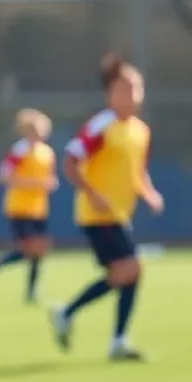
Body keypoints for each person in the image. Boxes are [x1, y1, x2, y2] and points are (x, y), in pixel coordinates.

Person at [50, 54, 163, 361]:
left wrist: (149, 193)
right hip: (97, 214)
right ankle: (116, 339)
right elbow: (70, 162)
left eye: (136, 88)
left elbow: (137, 172)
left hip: (119, 213)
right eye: (124, 89)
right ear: (110, 94)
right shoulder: (102, 125)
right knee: (132, 269)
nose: (132, 95)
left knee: (126, 275)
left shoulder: (141, 131)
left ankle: (73, 316)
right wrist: (92, 192)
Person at [0, 108, 58, 303]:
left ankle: (31, 291)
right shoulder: (20, 150)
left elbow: (49, 178)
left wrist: (49, 183)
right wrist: (31, 183)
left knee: (38, 251)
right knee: (28, 249)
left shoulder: (47, 153)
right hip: (19, 207)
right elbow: (4, 175)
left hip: (39, 208)